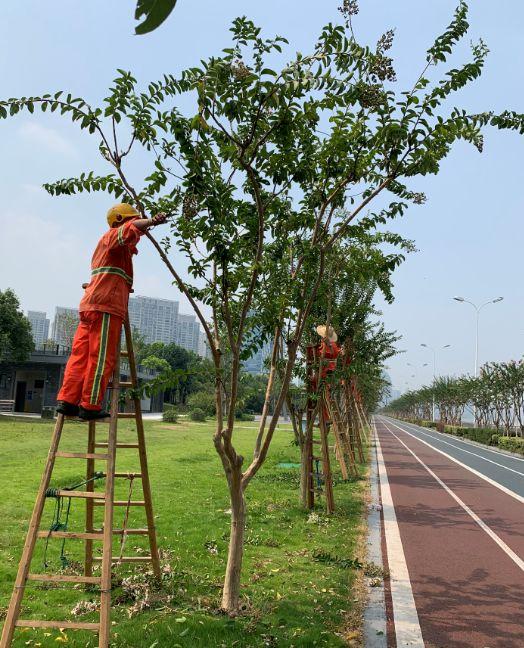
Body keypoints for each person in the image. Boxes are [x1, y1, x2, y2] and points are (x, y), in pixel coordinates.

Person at [56, 203, 167, 420]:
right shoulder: (113, 237)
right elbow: (128, 230)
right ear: (119, 221)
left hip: (91, 305)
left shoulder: (113, 250)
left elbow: (131, 235)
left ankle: (68, 402)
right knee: (101, 358)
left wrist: (145, 226)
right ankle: (90, 406)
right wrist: (151, 221)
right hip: (106, 308)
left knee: (79, 357)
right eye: (131, 221)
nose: (136, 230)